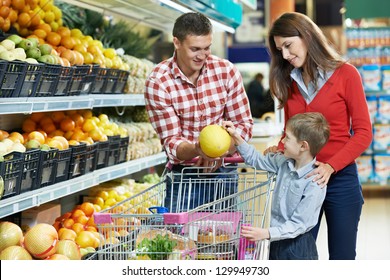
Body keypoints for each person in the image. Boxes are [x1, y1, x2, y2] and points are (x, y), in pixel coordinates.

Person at [265, 12, 373, 259]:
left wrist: (330, 167)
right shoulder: (289, 81)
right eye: (279, 49)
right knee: (296, 256)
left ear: (307, 36)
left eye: (288, 45)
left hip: (340, 180)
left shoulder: (346, 74)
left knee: (342, 258)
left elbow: (364, 133)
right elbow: (291, 131)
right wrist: (281, 146)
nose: (285, 55)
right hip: (300, 182)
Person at [144, 12, 253, 212]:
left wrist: (220, 151)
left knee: (224, 239)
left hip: (224, 174)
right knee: (181, 239)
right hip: (185, 177)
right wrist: (198, 149)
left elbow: (244, 124)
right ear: (176, 42)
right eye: (195, 49)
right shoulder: (159, 81)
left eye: (207, 48)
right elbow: (171, 141)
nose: (202, 56)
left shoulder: (226, 71)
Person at [224, 112, 330, 260]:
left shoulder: (315, 182)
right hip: (276, 242)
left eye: (287, 137)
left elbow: (299, 224)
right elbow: (255, 159)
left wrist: (265, 233)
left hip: (298, 248)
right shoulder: (283, 162)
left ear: (303, 146)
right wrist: (236, 136)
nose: (283, 141)